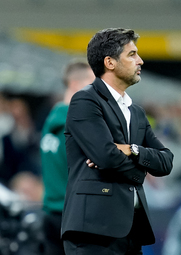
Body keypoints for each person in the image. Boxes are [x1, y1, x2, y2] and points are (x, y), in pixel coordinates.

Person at [61, 28, 174, 255]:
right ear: (110, 62)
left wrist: (132, 150)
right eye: (132, 54)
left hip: (131, 232)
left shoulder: (137, 112)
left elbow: (166, 161)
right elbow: (106, 156)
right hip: (93, 231)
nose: (140, 61)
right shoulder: (85, 100)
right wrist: (141, 170)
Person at [40, 60, 95, 255]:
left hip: (51, 213)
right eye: (92, 81)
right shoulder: (77, 124)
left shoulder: (51, 119)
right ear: (74, 84)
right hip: (75, 215)